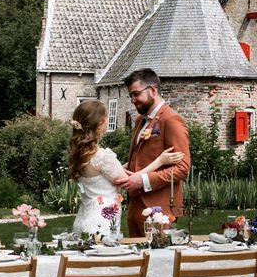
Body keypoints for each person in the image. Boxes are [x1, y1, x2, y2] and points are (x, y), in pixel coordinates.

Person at [64, 98, 182, 241]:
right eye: (106, 117)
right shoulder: (102, 156)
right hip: (102, 222)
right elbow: (129, 181)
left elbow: (113, 171)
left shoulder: (81, 154)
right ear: (100, 122)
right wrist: (160, 161)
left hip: (84, 219)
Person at [111, 68, 191, 237]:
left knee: (159, 261)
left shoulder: (171, 120)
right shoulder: (140, 120)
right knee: (137, 260)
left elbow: (182, 168)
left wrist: (143, 181)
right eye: (131, 95)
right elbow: (138, 159)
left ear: (153, 90)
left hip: (159, 208)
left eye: (136, 94)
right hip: (135, 205)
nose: (133, 100)